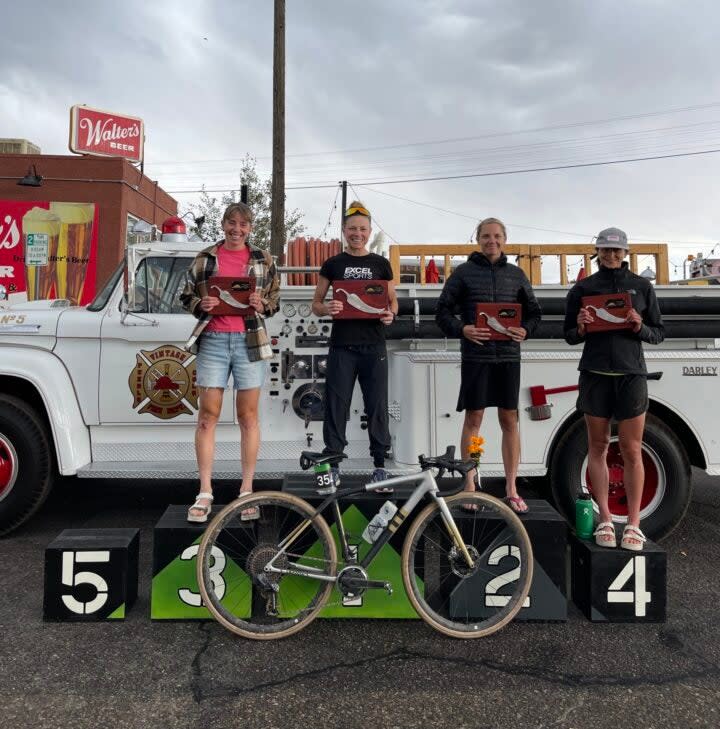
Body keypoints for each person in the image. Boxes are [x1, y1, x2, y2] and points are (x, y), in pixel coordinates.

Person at [564, 227, 664, 551]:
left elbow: (659, 333)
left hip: (631, 374)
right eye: (605, 251)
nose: (611, 256)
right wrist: (579, 326)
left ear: (626, 253)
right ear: (597, 253)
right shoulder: (583, 288)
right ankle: (605, 517)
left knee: (633, 449)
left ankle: (634, 524)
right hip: (595, 374)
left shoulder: (641, 286)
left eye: (616, 251)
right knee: (598, 446)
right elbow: (568, 334)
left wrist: (640, 326)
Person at [180, 202, 280, 522]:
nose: (237, 229)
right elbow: (185, 297)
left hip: (250, 341)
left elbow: (275, 302)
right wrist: (201, 302)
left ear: (250, 228)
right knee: (207, 416)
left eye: (243, 224)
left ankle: (246, 489)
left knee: (247, 416)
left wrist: (261, 303)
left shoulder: (263, 259)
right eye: (231, 223)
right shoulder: (205, 258)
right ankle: (205, 491)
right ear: (223, 224)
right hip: (213, 341)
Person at [435, 217, 541, 512]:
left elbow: (534, 314)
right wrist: (463, 329)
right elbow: (441, 312)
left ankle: (511, 486)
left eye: (496, 236)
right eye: (485, 236)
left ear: (504, 239)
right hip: (477, 359)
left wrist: (526, 330)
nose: (491, 241)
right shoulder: (463, 274)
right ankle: (471, 482)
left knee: (510, 421)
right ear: (478, 240)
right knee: (474, 422)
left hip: (508, 358)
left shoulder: (517, 275)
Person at [312, 201, 398, 483]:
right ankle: (333, 463)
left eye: (362, 228)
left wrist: (391, 314)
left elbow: (392, 300)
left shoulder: (381, 264)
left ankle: (379, 465)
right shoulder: (334, 264)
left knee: (377, 405)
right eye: (352, 229)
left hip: (374, 346)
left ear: (370, 231)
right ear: (344, 231)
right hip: (342, 346)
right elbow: (316, 303)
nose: (357, 233)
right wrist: (327, 309)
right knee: (336, 405)